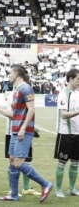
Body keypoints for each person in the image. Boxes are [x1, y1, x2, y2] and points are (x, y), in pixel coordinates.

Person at [0, 64, 53, 202]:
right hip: (15, 131)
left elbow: (31, 109)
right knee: (12, 160)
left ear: (16, 74)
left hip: (23, 131)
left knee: (18, 163)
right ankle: (14, 195)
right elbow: (14, 114)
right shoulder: (16, 91)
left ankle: (45, 184)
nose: (9, 75)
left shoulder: (26, 88)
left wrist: (23, 128)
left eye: (11, 73)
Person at [4, 89, 40, 197]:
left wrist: (30, 126)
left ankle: (27, 187)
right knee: (13, 161)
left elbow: (27, 112)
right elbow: (11, 114)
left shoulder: (28, 93)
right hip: (13, 132)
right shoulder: (13, 95)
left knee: (27, 160)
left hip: (26, 132)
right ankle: (12, 189)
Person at [54, 68, 79, 198]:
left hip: (77, 134)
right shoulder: (63, 94)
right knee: (62, 162)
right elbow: (63, 115)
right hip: (65, 134)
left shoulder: (78, 93)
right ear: (70, 79)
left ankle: (71, 188)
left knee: (75, 162)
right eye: (78, 79)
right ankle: (58, 189)